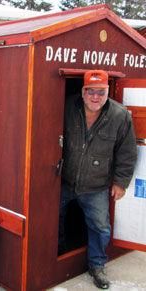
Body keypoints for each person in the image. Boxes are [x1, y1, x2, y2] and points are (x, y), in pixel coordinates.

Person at [59, 70, 137, 289]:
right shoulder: (67, 107)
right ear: (82, 92)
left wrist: (121, 182)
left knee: (100, 227)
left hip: (97, 186)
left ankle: (97, 266)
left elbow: (127, 152)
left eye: (100, 92)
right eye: (90, 91)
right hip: (65, 181)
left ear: (107, 91)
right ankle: (58, 254)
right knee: (53, 218)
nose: (95, 97)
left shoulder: (120, 115)